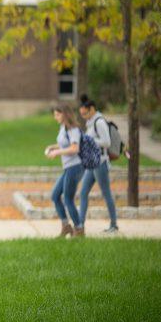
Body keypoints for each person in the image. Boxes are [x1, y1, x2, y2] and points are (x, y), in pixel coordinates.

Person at [78, 94, 119, 233]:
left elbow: (106, 142)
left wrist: (89, 141)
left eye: (85, 113)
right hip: (92, 163)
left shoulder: (99, 122)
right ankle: (80, 225)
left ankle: (114, 225)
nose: (83, 116)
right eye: (81, 114)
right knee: (83, 193)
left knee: (106, 193)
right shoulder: (90, 122)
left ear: (92, 109)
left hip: (100, 163)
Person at [45, 105, 85, 237]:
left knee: (68, 199)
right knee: (55, 195)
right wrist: (52, 147)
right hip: (68, 168)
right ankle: (66, 226)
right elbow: (64, 144)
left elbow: (75, 148)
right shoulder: (63, 127)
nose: (55, 117)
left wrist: (57, 152)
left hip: (75, 167)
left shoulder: (73, 129)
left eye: (57, 114)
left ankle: (79, 229)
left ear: (64, 114)